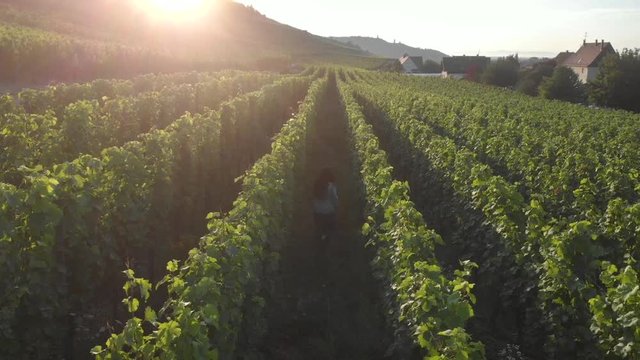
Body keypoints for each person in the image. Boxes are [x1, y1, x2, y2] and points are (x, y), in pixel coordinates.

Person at [312, 168, 338, 241]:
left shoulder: (316, 184)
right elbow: (335, 199)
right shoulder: (331, 186)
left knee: (319, 229)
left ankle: (319, 241)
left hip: (317, 212)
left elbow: (313, 197)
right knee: (328, 231)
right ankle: (325, 241)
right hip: (329, 212)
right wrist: (336, 207)